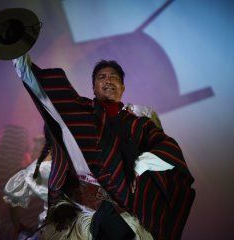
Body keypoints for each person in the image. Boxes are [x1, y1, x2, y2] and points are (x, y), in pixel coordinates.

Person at [11, 55, 195, 240]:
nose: (108, 80)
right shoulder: (77, 114)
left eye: (114, 77)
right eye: (102, 77)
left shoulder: (138, 125)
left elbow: (169, 150)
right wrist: (17, 51)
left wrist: (138, 164)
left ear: (123, 87)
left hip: (120, 218)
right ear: (93, 88)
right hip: (77, 215)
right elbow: (42, 92)